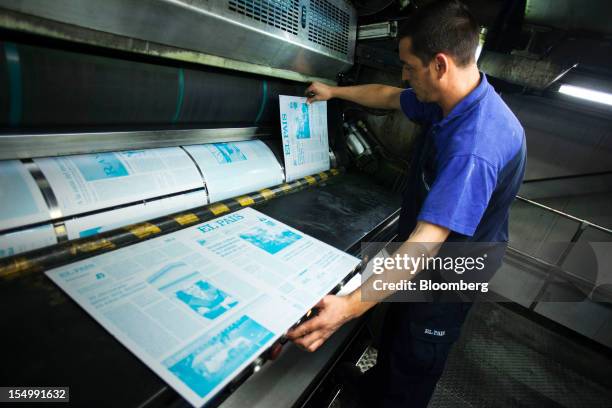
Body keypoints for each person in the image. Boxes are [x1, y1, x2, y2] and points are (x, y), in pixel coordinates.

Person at [286, 0, 526, 406]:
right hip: (419, 257)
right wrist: (333, 91)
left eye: (409, 67)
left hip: (447, 274)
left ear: (440, 65)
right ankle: (367, 391)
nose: (404, 75)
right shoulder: (447, 98)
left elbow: (425, 244)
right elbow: (388, 96)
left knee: (413, 361)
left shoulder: (476, 146)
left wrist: (347, 307)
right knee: (393, 333)